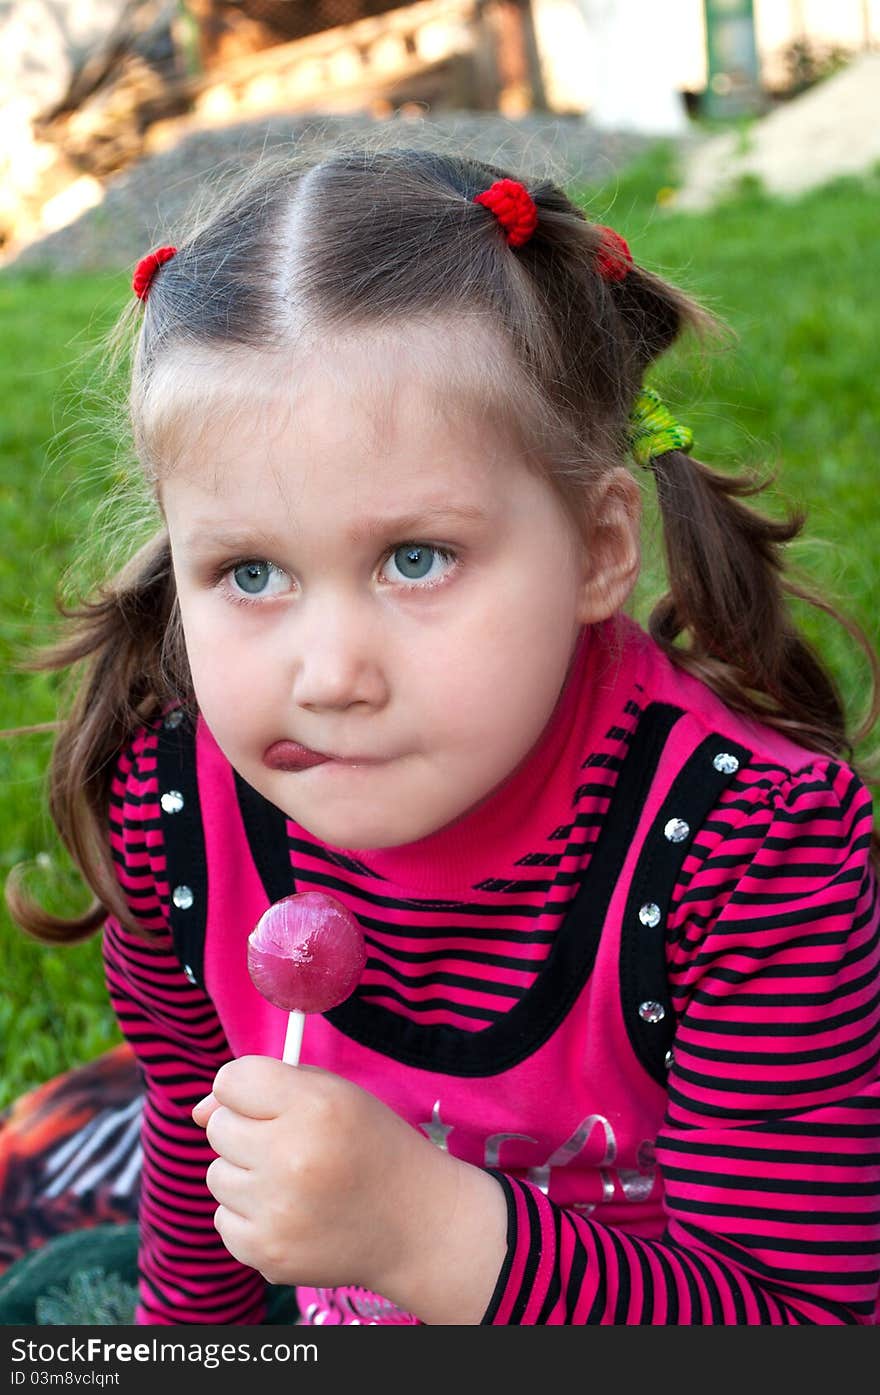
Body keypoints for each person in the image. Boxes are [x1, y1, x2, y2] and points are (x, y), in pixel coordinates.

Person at [7, 144, 880, 1327]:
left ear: (599, 547)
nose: (329, 676)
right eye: (250, 571)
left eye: (416, 560)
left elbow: (812, 1325)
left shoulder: (744, 854)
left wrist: (426, 1232)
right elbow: (199, 1173)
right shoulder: (179, 818)